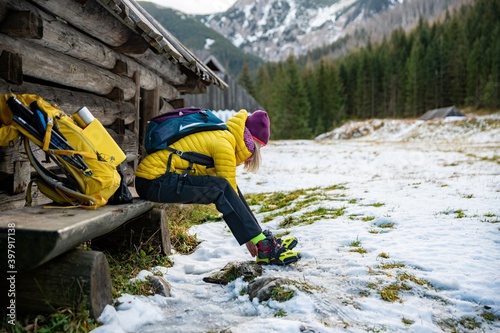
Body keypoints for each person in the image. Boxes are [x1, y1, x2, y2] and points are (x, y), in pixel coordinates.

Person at [134, 109, 301, 265]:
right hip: (153, 182)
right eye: (257, 150)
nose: (252, 157)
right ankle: (264, 246)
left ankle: (263, 241)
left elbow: (232, 191)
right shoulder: (224, 144)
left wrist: (254, 235)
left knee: (225, 187)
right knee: (222, 188)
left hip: (161, 180)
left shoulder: (225, 136)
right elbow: (227, 192)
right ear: (251, 142)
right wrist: (251, 238)